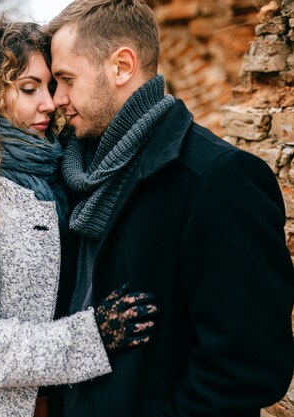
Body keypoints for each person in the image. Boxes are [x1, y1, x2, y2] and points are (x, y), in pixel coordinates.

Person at [45, 1, 294, 416]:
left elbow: (249, 365)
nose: (56, 100)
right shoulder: (73, 172)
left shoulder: (217, 180)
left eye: (66, 79)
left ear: (122, 65)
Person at [0, 18, 159, 417]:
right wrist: (91, 338)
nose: (49, 102)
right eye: (29, 89)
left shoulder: (65, 174)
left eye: (50, 86)